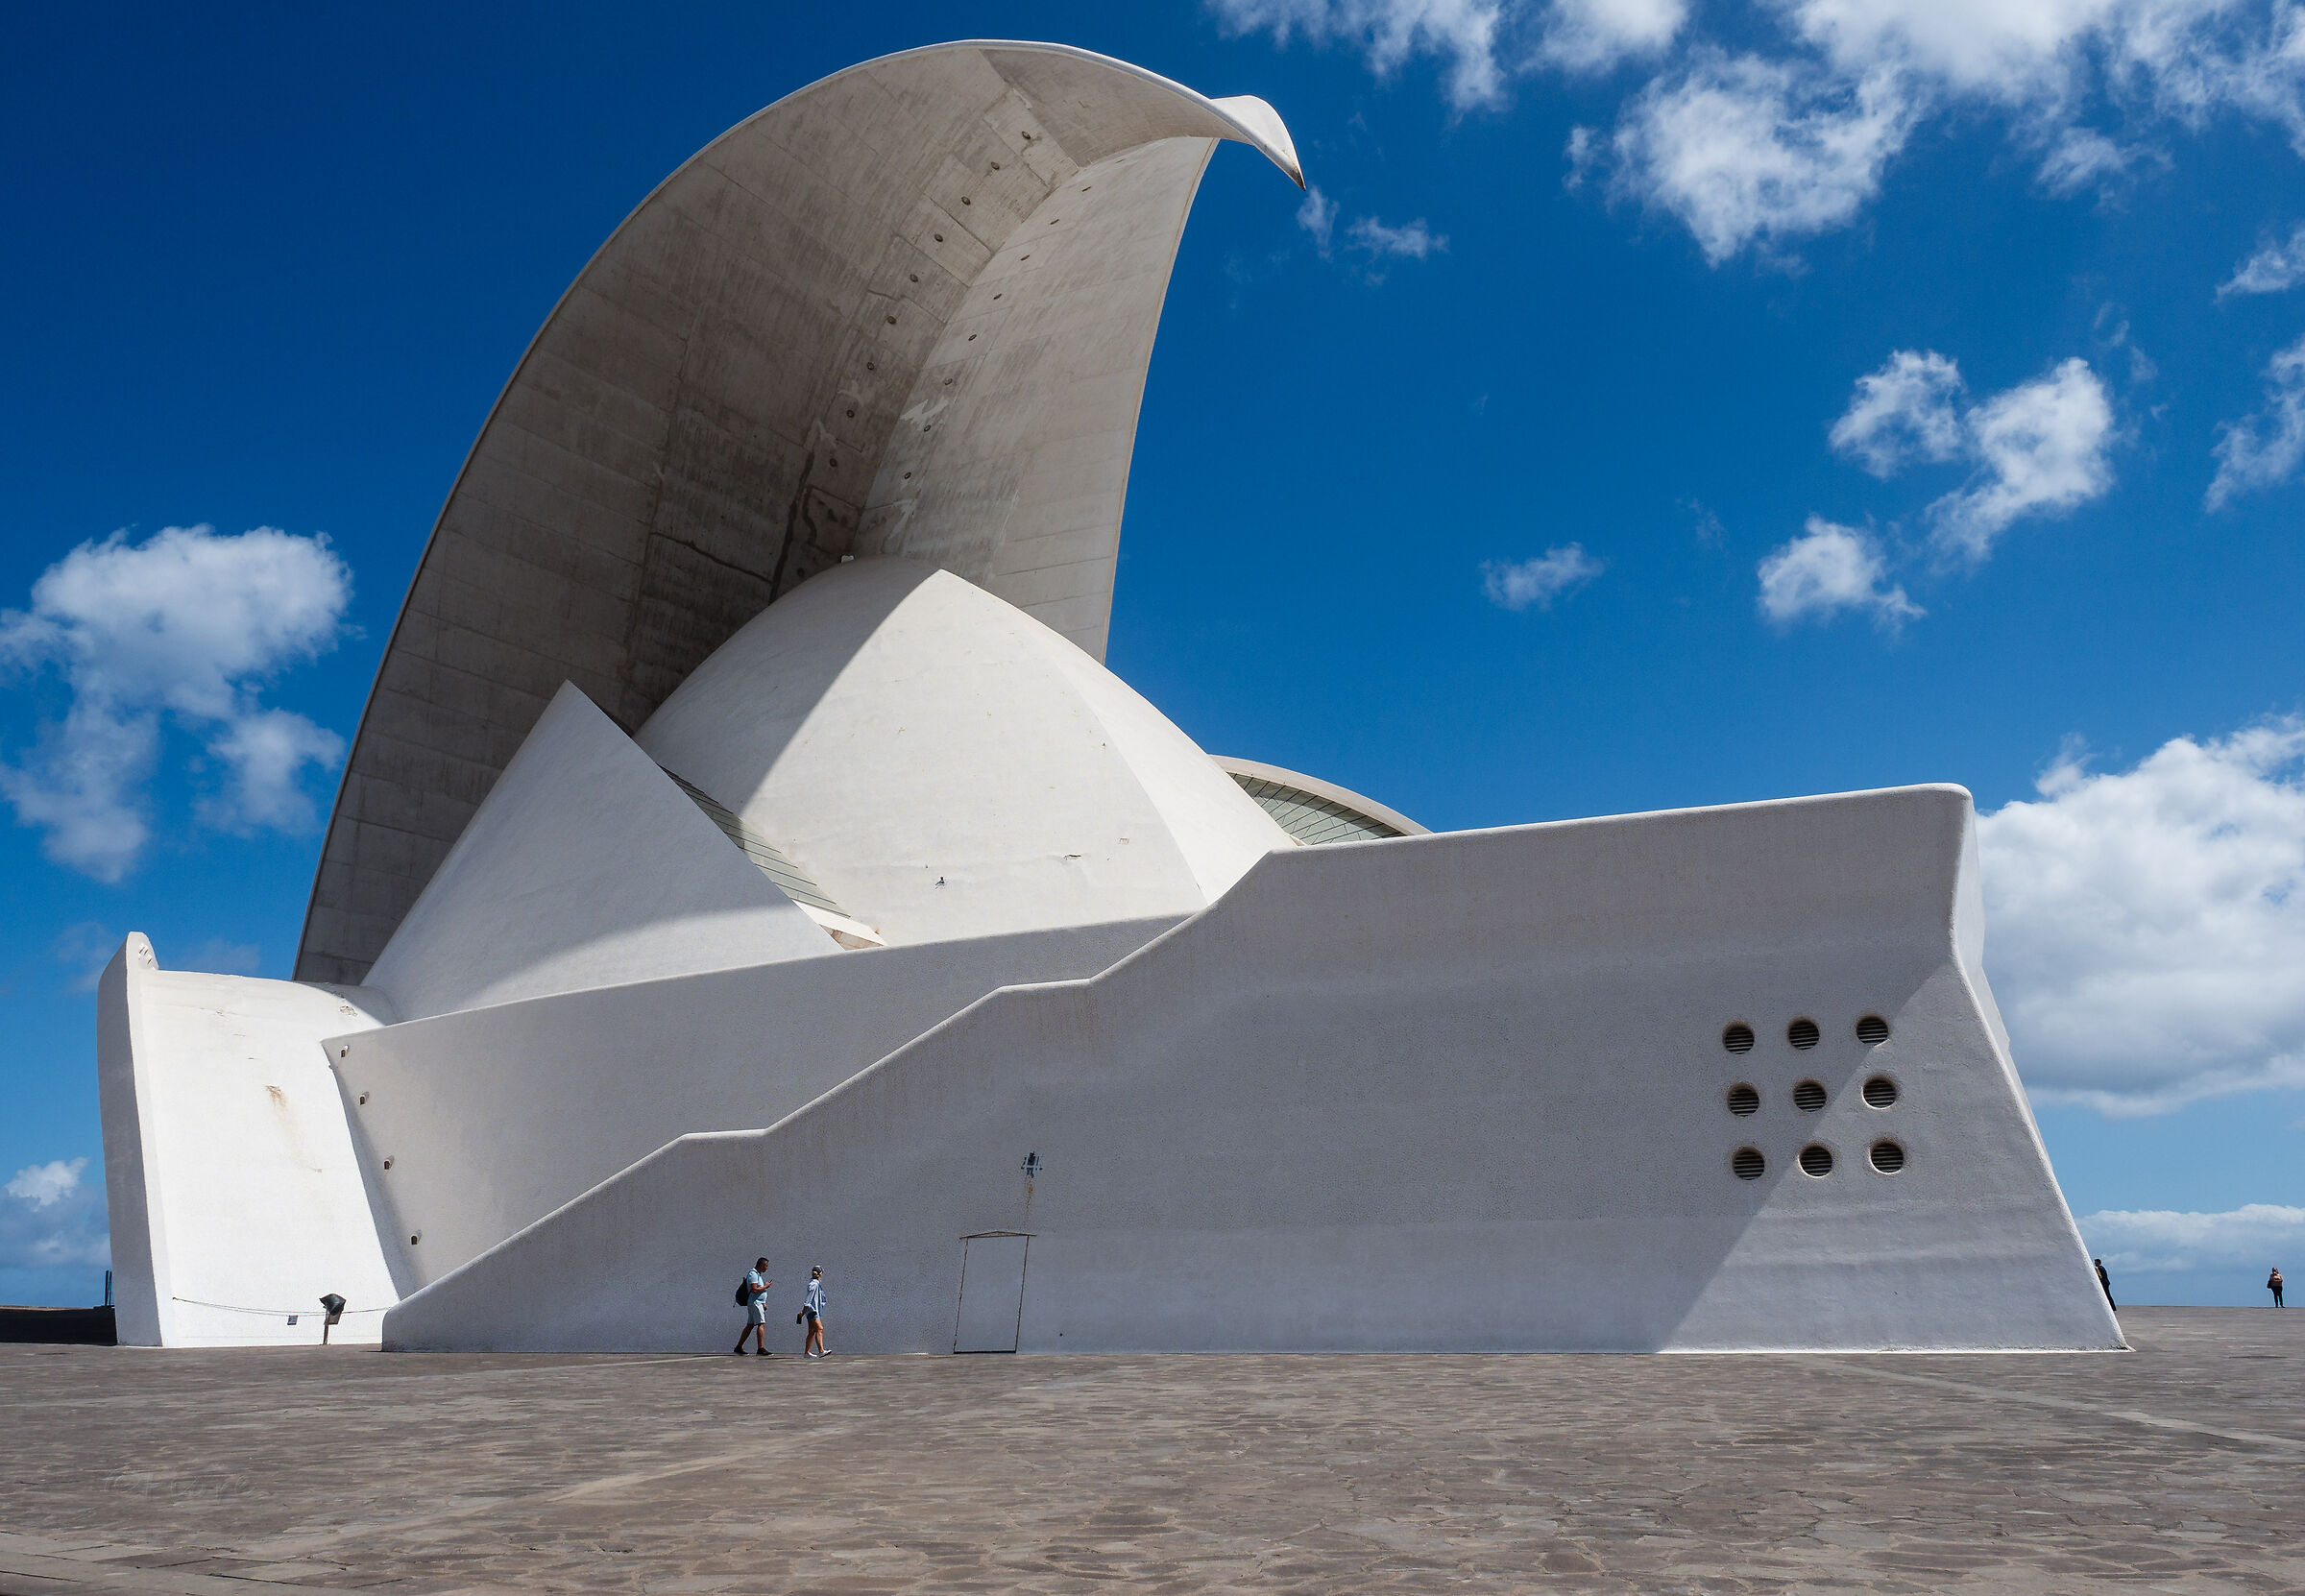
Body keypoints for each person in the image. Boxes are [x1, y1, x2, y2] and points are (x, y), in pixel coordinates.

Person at [733, 1258, 773, 1355]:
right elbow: (754, 1289)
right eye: (766, 1266)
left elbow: (758, 1291)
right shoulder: (753, 1274)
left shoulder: (758, 1275)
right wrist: (766, 1286)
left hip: (757, 1302)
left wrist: (763, 1302)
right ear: (761, 1265)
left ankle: (738, 1347)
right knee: (761, 1324)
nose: (767, 1268)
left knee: (750, 1326)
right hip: (755, 1303)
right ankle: (760, 1349)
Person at [801, 1266, 828, 1357]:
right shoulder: (814, 1284)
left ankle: (807, 1353)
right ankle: (821, 1351)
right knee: (820, 1328)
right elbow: (808, 1299)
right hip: (813, 1311)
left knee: (812, 1331)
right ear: (820, 1274)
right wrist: (803, 1311)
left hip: (812, 1310)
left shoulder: (815, 1283)